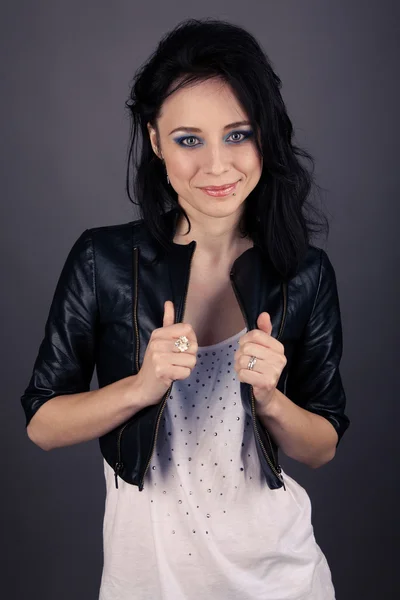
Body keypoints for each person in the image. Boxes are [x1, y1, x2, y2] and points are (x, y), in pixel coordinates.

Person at [21, 17, 350, 600]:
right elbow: (43, 424)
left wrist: (272, 399)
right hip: (147, 584)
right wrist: (140, 387)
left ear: (264, 137)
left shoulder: (303, 274)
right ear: (154, 141)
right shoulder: (104, 261)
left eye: (238, 134)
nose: (217, 166)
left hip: (282, 581)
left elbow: (321, 445)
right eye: (189, 139)